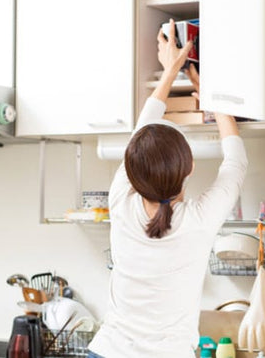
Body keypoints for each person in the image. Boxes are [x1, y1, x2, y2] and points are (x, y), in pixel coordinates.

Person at [87, 19, 248, 358]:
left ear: (131, 171)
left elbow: (141, 134)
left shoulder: (121, 198)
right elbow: (235, 163)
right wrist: (213, 101)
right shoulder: (199, 219)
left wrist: (170, 70)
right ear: (189, 169)